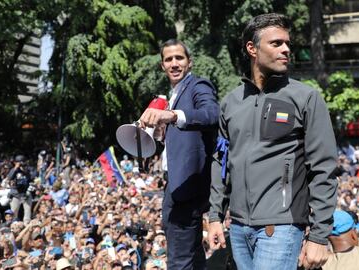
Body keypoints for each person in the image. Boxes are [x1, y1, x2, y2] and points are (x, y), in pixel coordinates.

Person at [208, 13, 338, 270]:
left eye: (287, 43)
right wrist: (214, 216)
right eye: (276, 43)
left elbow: (323, 168)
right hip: (238, 229)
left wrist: (319, 235)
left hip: (281, 228)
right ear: (252, 49)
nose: (286, 49)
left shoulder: (306, 98)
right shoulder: (231, 102)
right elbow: (220, 162)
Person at [139, 39, 219, 269]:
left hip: (187, 188)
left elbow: (212, 114)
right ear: (162, 66)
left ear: (189, 62)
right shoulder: (173, 95)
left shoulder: (198, 85)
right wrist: (158, 134)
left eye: (179, 58)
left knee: (179, 262)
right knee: (192, 258)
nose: (174, 63)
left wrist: (172, 116)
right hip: (175, 185)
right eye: (168, 59)